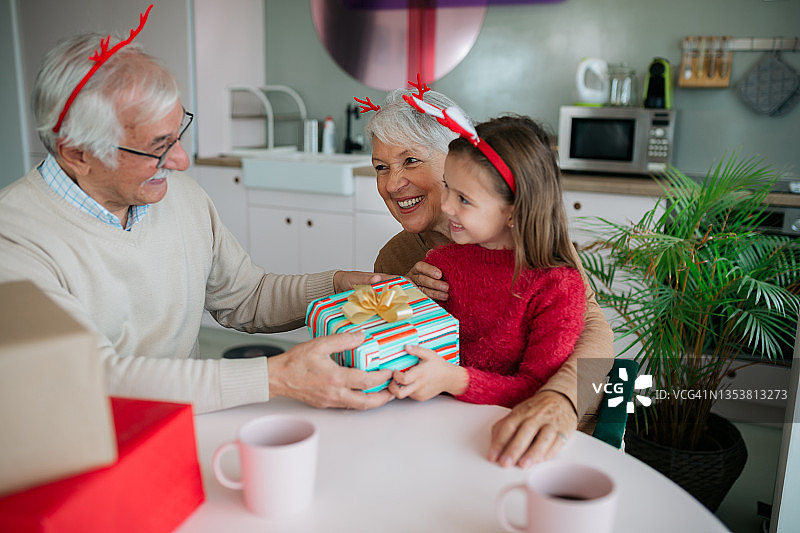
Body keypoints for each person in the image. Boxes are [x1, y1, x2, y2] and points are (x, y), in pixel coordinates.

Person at [0, 26, 393, 414]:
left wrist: (334, 286)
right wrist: (274, 376)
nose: (181, 161)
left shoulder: (180, 197)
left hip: (186, 425)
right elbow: (100, 380)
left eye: (177, 134)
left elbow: (246, 298)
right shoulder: (15, 239)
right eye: (158, 147)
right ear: (77, 154)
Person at [364, 88, 614, 467]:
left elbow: (597, 332)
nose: (393, 184)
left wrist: (563, 399)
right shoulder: (396, 256)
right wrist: (408, 301)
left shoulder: (531, 240)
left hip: (537, 431)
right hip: (452, 429)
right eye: (381, 167)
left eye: (411, 161)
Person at [387, 112, 586, 410]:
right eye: (447, 188)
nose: (446, 206)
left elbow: (538, 391)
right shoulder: (441, 264)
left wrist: (453, 380)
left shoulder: (557, 286)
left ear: (513, 212)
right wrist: (403, 296)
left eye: (463, 199)